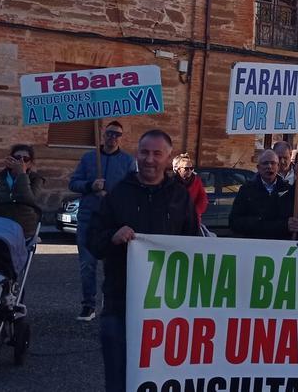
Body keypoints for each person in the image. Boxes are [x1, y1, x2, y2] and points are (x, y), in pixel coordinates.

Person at [88, 129, 198, 392]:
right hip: (120, 301)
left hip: (166, 307)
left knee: (160, 377)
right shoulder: (118, 194)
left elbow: (194, 244)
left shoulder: (180, 196)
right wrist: (112, 236)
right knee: (118, 376)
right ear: (136, 154)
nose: (149, 159)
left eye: (157, 154)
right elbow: (93, 240)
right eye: (144, 152)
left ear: (168, 158)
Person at [67, 120, 137, 322]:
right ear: (103, 134)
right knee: (87, 264)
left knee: (112, 265)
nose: (113, 137)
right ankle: (88, 305)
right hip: (88, 218)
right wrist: (91, 185)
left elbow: (133, 189)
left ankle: (110, 303)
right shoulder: (89, 158)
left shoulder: (127, 161)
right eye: (110, 133)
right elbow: (73, 183)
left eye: (117, 134)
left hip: (113, 220)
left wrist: (112, 197)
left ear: (121, 137)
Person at [0, 144, 44, 238]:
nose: (21, 162)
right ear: (10, 159)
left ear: (30, 163)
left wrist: (22, 174)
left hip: (23, 225)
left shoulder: (36, 179)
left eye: (25, 159)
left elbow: (30, 200)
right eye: (17, 158)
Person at [229, 149, 291, 239]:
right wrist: (258, 222)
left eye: (273, 163)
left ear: (278, 166)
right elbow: (234, 222)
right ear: (258, 167)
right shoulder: (246, 190)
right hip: (254, 242)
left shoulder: (288, 190)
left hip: (279, 243)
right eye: (265, 163)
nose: (269, 166)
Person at [173, 153, 207, 225]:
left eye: (191, 168)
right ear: (178, 169)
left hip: (193, 220)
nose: (189, 171)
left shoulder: (197, 181)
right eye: (186, 168)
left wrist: (195, 211)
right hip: (176, 221)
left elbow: (203, 199)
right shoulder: (172, 183)